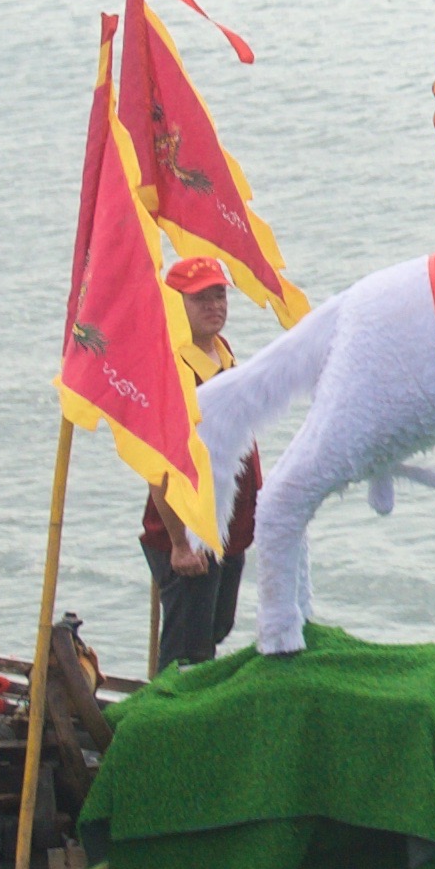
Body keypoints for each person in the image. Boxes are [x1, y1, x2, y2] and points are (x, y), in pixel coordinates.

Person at [141, 254, 266, 670]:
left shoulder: (222, 351)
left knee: (216, 628)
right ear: (176, 305)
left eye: (219, 295)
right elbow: (157, 464)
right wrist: (179, 544)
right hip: (190, 529)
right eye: (201, 299)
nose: (215, 306)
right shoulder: (170, 368)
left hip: (229, 522)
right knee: (185, 651)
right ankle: (165, 727)